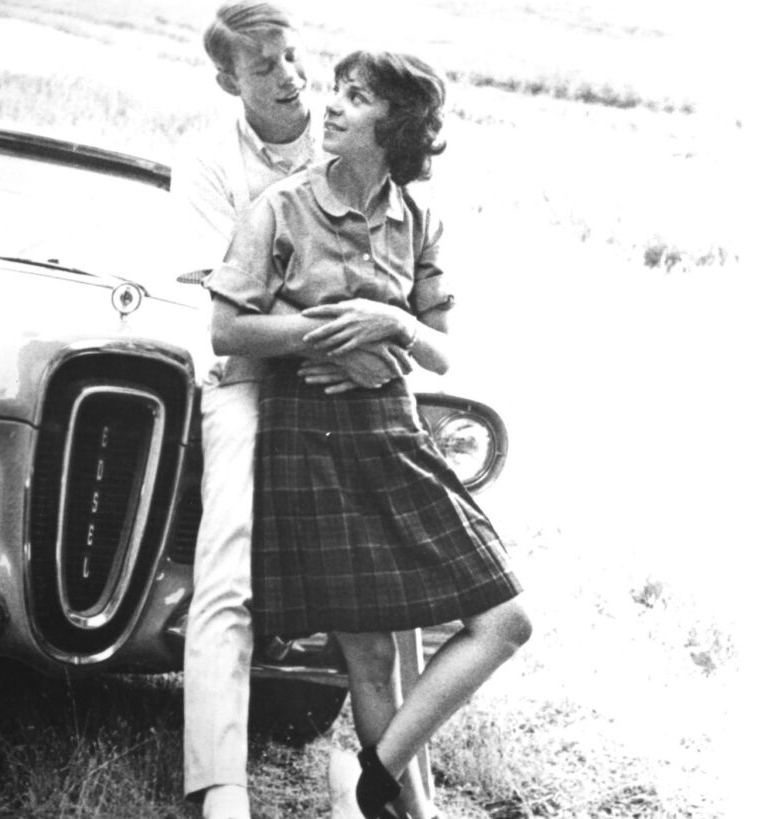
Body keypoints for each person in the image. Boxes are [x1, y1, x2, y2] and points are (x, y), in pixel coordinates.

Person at [206, 50, 532, 819]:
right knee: (372, 657)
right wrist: (325, 341)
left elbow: (442, 349)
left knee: (506, 620)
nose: (334, 105)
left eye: (357, 97)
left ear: (398, 125)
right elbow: (226, 329)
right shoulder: (280, 209)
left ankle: (372, 773)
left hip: (392, 430)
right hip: (311, 437)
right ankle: (406, 813)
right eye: (338, 91)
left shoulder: (417, 220)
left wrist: (389, 324)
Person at [175, 6, 432, 819]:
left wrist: (382, 340)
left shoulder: (348, 130)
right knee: (229, 562)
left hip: (354, 383)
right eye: (265, 68)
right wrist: (338, 340)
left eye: (294, 58)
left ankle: (400, 785)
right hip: (250, 377)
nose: (291, 78)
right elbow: (231, 302)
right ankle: (220, 787)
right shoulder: (206, 161)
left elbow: (399, 278)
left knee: (403, 578)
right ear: (229, 83)